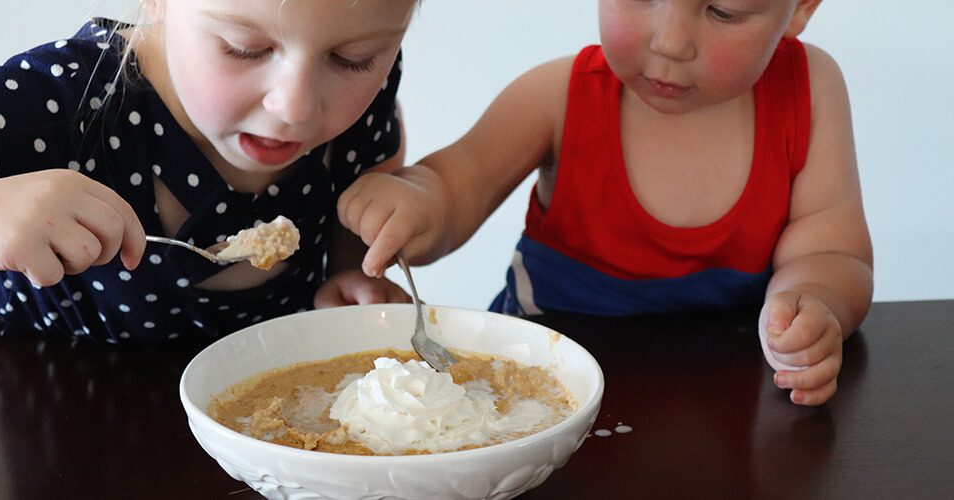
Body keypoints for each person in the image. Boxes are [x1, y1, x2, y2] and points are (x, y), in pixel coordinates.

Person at [338, 0, 873, 406]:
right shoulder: (558, 96)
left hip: (728, 401)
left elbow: (832, 249)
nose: (671, 41)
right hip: (538, 394)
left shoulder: (810, 89)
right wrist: (415, 202)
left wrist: (813, 303)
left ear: (800, 9)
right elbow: (457, 185)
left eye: (722, 11)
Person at [0, 0, 420, 344]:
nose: (294, 106)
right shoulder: (60, 100)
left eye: (351, 60)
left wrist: (350, 274)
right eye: (244, 48)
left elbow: (356, 207)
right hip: (47, 418)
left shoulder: (366, 107)